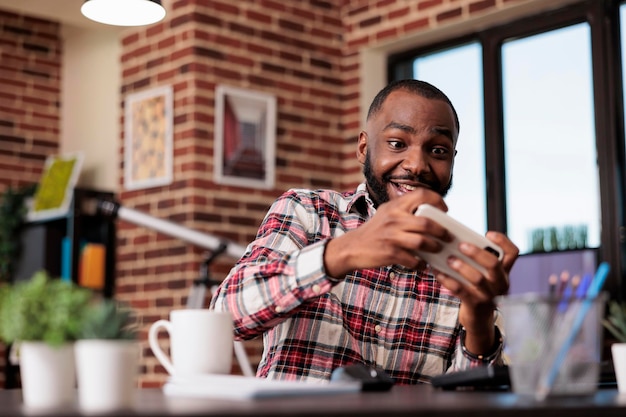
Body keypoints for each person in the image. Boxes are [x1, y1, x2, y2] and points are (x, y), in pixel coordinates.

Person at [210, 79, 519, 384]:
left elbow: (469, 402)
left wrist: (479, 324)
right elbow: (227, 319)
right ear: (363, 147)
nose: (417, 165)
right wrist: (342, 252)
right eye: (397, 144)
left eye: (438, 150)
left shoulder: (464, 263)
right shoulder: (306, 212)